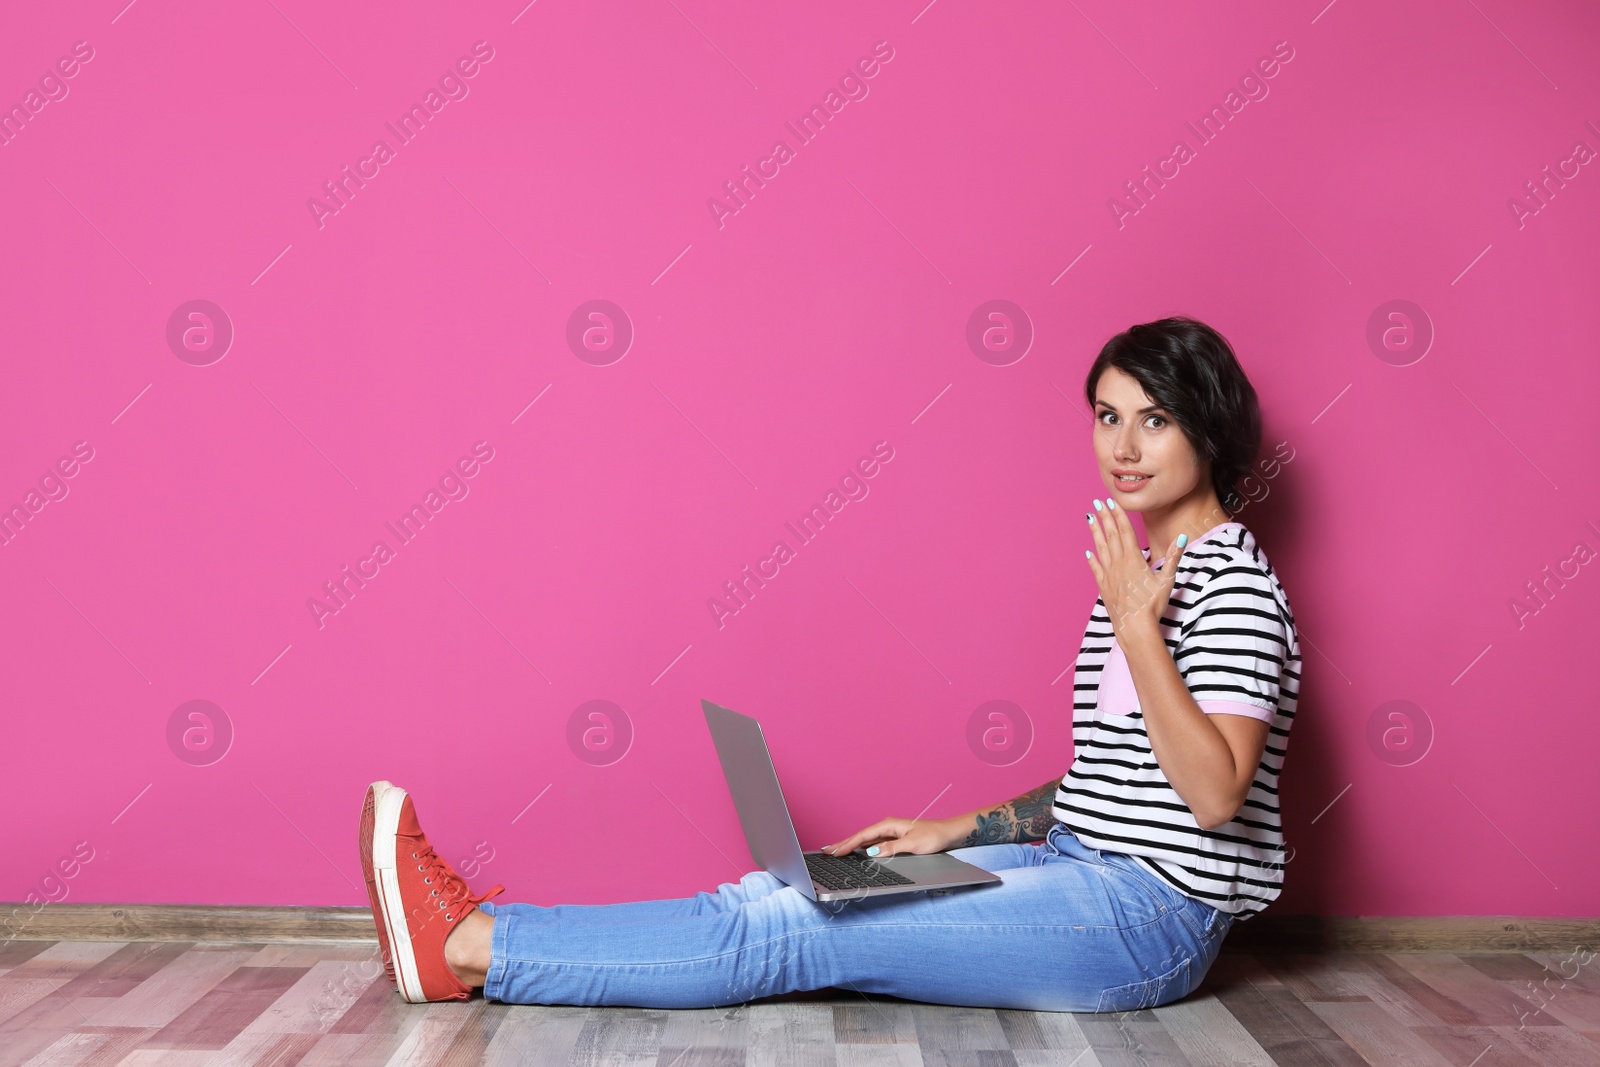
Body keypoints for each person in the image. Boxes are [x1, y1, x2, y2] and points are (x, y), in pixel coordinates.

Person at [357, 315, 1301, 1013]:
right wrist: (959, 827)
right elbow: (1123, 779)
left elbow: (1212, 795)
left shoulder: (1234, 587)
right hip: (1076, 864)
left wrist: (1139, 628)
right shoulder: (1141, 576)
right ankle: (478, 945)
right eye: (1106, 416)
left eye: (1155, 420)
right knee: (780, 888)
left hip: (1144, 922)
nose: (1123, 447)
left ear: (1208, 431)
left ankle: (476, 947)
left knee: (798, 929)